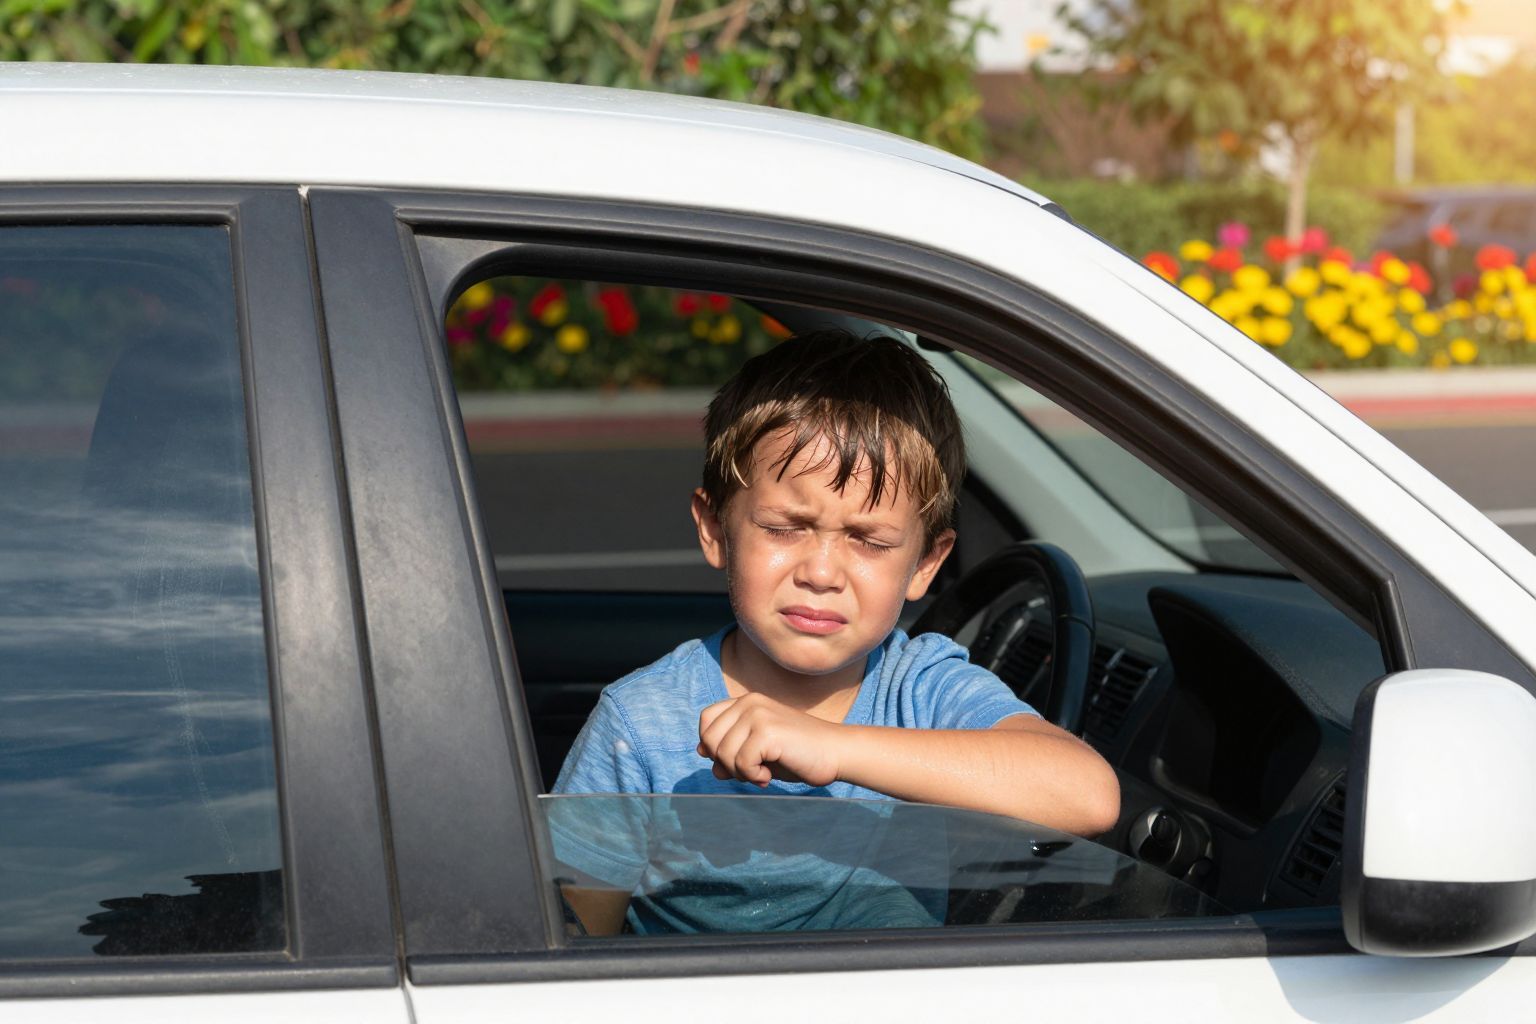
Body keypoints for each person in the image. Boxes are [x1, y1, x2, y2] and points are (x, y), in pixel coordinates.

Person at [550, 329, 1120, 935]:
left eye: (869, 541)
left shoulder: (920, 689)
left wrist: (833, 747)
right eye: (784, 528)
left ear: (925, 565)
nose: (821, 574)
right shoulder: (641, 723)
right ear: (715, 529)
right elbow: (569, 944)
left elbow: (1087, 796)